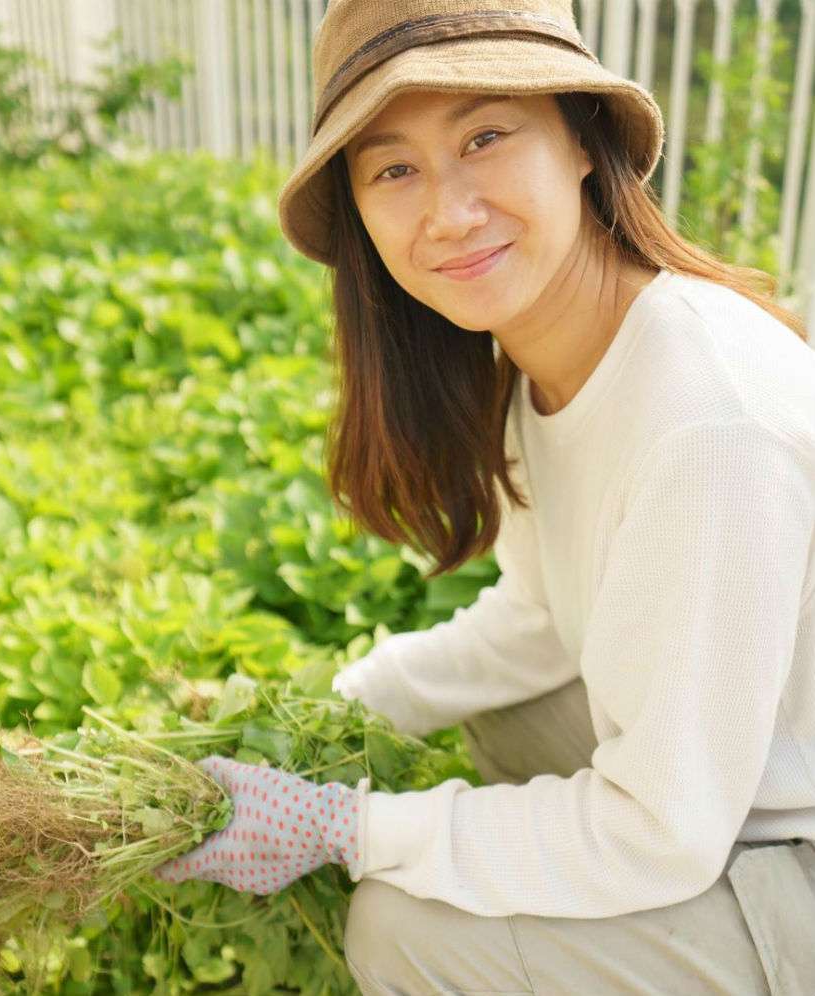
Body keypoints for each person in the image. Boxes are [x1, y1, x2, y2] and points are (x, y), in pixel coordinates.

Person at [156, 2, 815, 992]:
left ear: (582, 141)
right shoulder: (550, 361)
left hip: (790, 854)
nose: (449, 213)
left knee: (404, 930)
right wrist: (325, 709)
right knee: (505, 713)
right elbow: (540, 622)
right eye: (394, 170)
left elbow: (662, 830)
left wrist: (348, 829)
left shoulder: (705, 420)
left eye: (486, 138)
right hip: (740, 790)